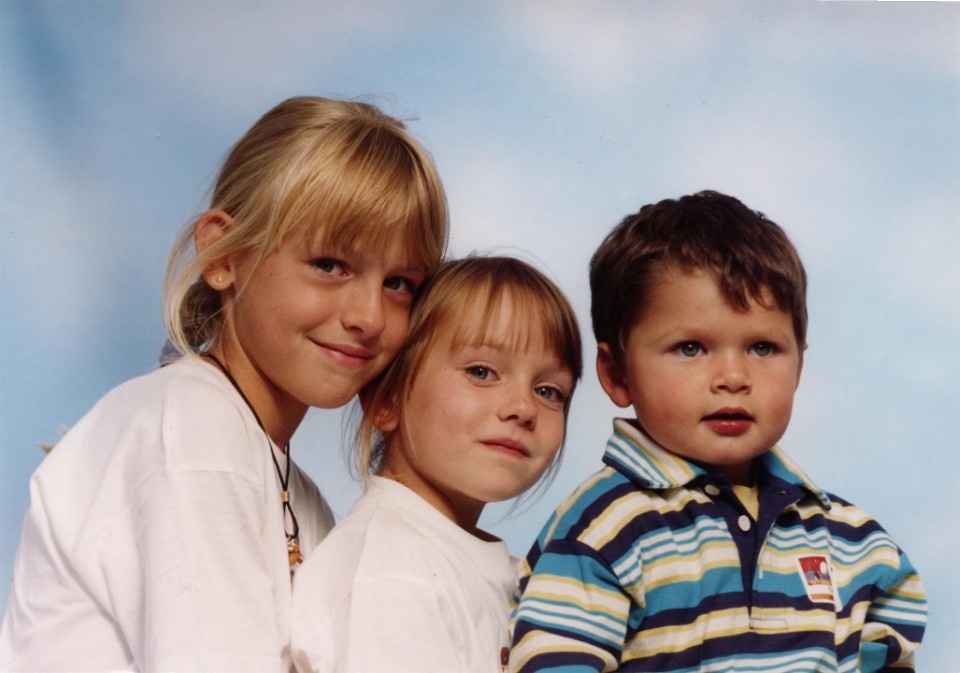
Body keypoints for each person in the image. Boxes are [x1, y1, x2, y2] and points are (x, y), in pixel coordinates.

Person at [0, 96, 448, 673]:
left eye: (400, 283)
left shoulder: (295, 493)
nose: (368, 315)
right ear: (222, 254)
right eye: (330, 265)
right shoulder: (192, 429)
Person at [508, 191, 927, 672]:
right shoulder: (603, 530)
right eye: (690, 348)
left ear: (798, 367)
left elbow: (892, 652)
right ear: (618, 374)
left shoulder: (851, 539)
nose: (733, 377)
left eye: (763, 348)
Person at [290, 256, 583, 673]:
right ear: (387, 399)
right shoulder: (392, 571)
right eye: (481, 372)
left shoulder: (500, 572)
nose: (523, 407)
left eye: (549, 391)